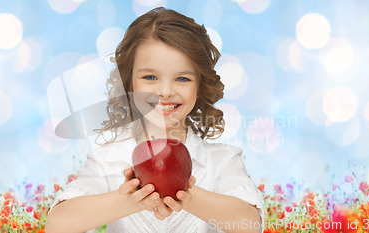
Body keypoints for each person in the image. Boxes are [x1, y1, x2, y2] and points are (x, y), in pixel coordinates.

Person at [45, 7, 263, 233]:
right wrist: (127, 199)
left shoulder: (222, 160)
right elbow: (57, 226)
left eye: (182, 78)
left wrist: (186, 193)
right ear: (129, 84)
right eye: (150, 77)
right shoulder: (106, 159)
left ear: (199, 87)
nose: (166, 91)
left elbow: (249, 225)